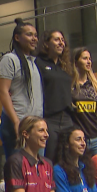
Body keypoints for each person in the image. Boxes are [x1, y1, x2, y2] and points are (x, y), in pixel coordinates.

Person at [0, 19, 43, 159]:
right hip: (17, 124)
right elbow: (3, 91)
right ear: (17, 37)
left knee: (37, 171)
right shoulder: (9, 59)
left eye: (35, 35)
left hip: (35, 125)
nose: (34, 38)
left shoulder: (33, 62)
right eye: (29, 35)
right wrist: (16, 122)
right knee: (19, 171)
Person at [35, 30, 74, 160]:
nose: (61, 43)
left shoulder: (65, 67)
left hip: (67, 119)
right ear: (46, 44)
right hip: (50, 120)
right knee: (50, 159)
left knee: (68, 160)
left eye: (62, 40)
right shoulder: (38, 63)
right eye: (57, 39)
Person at [71, 47, 97, 155]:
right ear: (76, 62)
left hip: (96, 136)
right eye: (85, 58)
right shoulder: (70, 85)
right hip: (80, 137)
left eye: (89, 59)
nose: (88, 61)